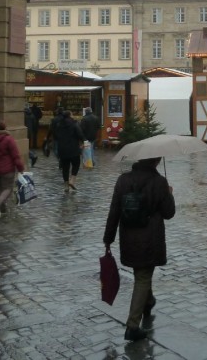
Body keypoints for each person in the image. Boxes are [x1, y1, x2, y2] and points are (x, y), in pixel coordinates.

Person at [103, 156, 176, 342]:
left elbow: (114, 210)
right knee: (143, 276)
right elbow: (169, 213)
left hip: (129, 237)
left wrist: (108, 238)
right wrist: (169, 194)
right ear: (156, 161)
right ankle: (133, 326)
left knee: (142, 273)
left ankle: (148, 302)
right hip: (150, 238)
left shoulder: (123, 179)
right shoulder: (159, 182)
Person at [55, 110, 85, 192]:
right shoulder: (74, 124)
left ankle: (66, 186)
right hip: (73, 149)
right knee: (76, 164)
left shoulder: (59, 125)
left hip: (62, 149)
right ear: (70, 115)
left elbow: (56, 136)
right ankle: (72, 180)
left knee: (65, 168)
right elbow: (80, 134)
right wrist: (82, 142)